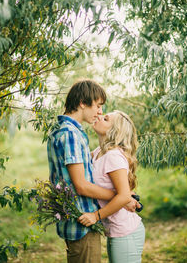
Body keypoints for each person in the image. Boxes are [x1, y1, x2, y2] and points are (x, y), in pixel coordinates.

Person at [47, 80, 139, 263]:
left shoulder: (62, 130)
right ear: (82, 103)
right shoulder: (71, 135)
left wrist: (123, 195)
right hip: (82, 222)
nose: (99, 112)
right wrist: (122, 197)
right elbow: (81, 185)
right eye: (97, 105)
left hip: (79, 222)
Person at [78, 110, 145, 263]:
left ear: (114, 131)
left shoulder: (113, 156)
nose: (99, 116)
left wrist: (95, 216)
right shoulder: (98, 152)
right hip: (116, 230)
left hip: (125, 231)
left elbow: (123, 196)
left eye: (106, 119)